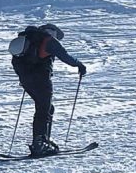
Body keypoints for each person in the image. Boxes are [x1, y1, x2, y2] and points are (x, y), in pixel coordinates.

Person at [10, 24, 86, 157]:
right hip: (42, 80)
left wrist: (25, 78)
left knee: (46, 108)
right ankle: (39, 143)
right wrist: (79, 65)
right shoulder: (48, 40)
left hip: (26, 80)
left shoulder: (28, 40)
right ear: (54, 32)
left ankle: (43, 140)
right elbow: (65, 56)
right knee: (44, 109)